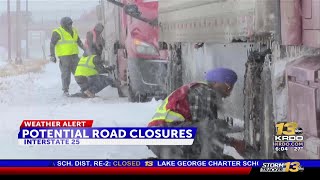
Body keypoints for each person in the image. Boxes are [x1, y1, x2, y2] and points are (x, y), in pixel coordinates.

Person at [147, 67, 252, 159]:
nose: (229, 93)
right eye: (228, 87)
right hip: (166, 137)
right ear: (215, 83)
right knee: (216, 126)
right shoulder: (205, 92)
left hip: (163, 139)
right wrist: (233, 143)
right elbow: (207, 129)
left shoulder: (198, 89)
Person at [50, 17, 85, 96]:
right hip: (64, 57)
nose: (70, 25)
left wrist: (85, 49)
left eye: (71, 23)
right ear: (64, 25)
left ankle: (84, 88)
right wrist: (52, 55)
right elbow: (52, 44)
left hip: (74, 56)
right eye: (69, 24)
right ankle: (65, 91)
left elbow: (79, 41)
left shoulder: (74, 30)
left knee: (79, 71)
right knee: (66, 74)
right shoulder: (57, 32)